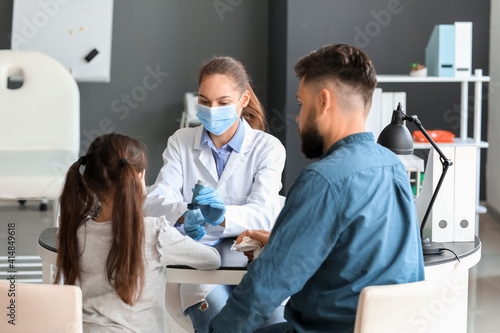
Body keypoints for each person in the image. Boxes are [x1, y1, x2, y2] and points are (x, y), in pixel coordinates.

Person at [209, 44, 425, 333]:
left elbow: (265, 287)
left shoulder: (322, 180)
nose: (298, 118)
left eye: (301, 104)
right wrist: (280, 242)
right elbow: (361, 253)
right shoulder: (393, 166)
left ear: (323, 102)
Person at [144, 56, 286, 332]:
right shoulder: (181, 141)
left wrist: (222, 217)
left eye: (223, 102)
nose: (212, 109)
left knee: (276, 326)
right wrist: (185, 215)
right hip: (200, 263)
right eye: (205, 101)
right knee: (220, 324)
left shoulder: (267, 148)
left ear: (243, 99)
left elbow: (264, 212)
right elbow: (154, 202)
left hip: (255, 260)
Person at [54, 133, 221, 333]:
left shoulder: (73, 232)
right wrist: (187, 238)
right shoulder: (154, 233)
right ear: (139, 178)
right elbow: (212, 260)